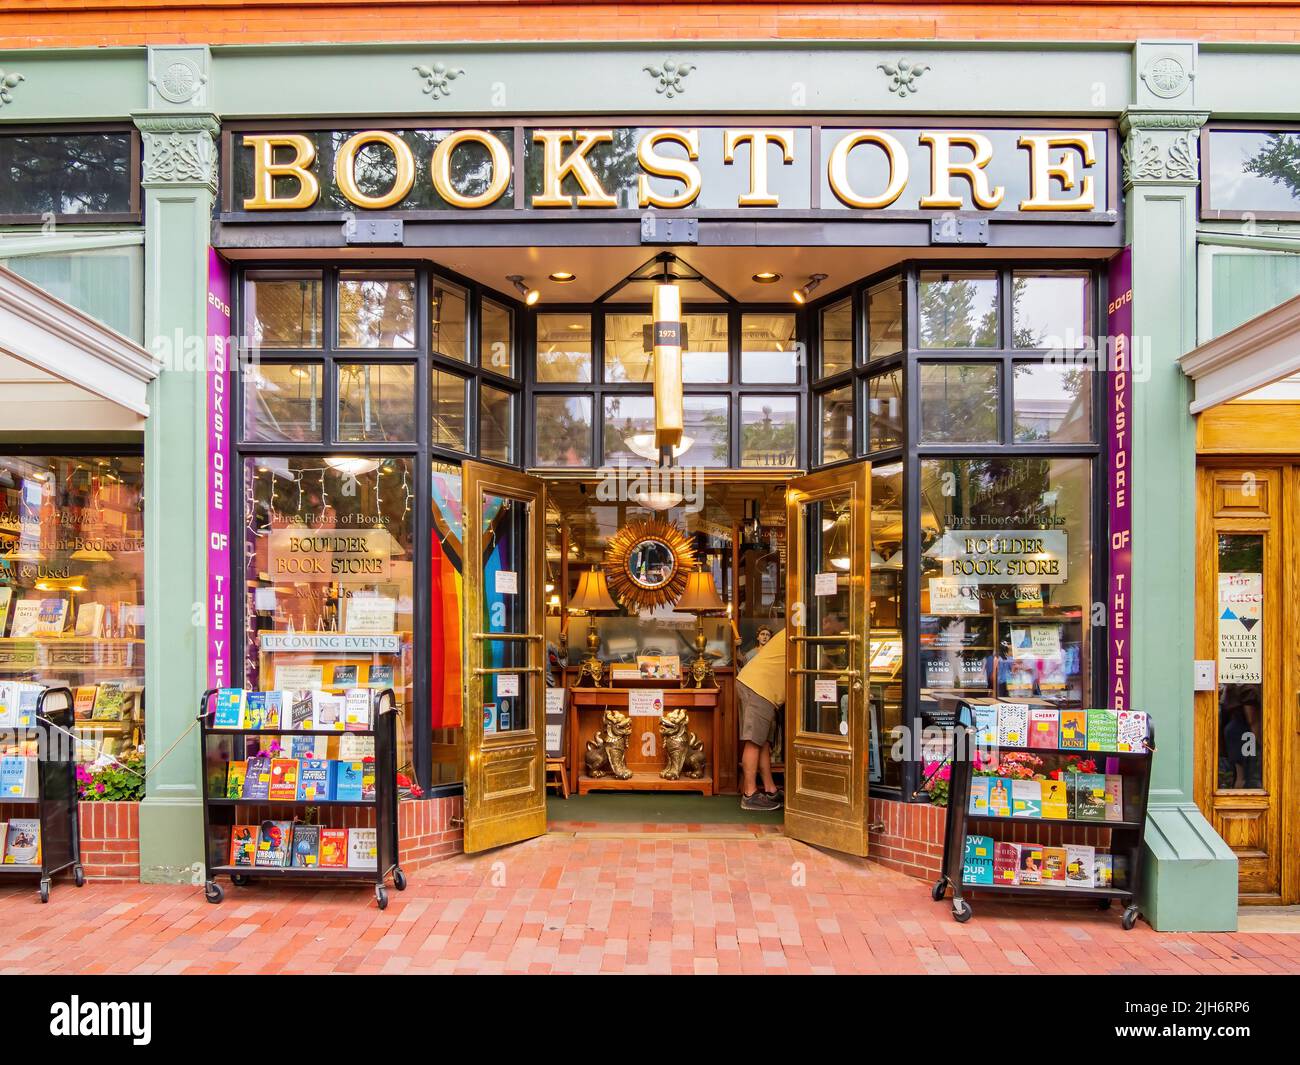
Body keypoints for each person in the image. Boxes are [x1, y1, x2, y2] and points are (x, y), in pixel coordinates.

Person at [735, 626, 786, 810]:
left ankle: (770, 789)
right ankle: (750, 794)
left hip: (755, 684)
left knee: (762, 741)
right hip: (759, 688)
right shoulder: (800, 632)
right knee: (754, 741)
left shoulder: (792, 630)